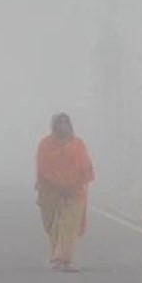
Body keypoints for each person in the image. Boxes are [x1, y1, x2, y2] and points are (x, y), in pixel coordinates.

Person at [35, 112, 95, 273]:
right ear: (54, 126)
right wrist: (56, 185)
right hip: (50, 191)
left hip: (74, 192)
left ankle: (63, 258)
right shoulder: (46, 145)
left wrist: (72, 185)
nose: (63, 127)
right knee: (53, 225)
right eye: (59, 123)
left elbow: (85, 167)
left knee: (68, 225)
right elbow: (43, 168)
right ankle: (58, 254)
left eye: (66, 123)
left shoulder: (78, 145)